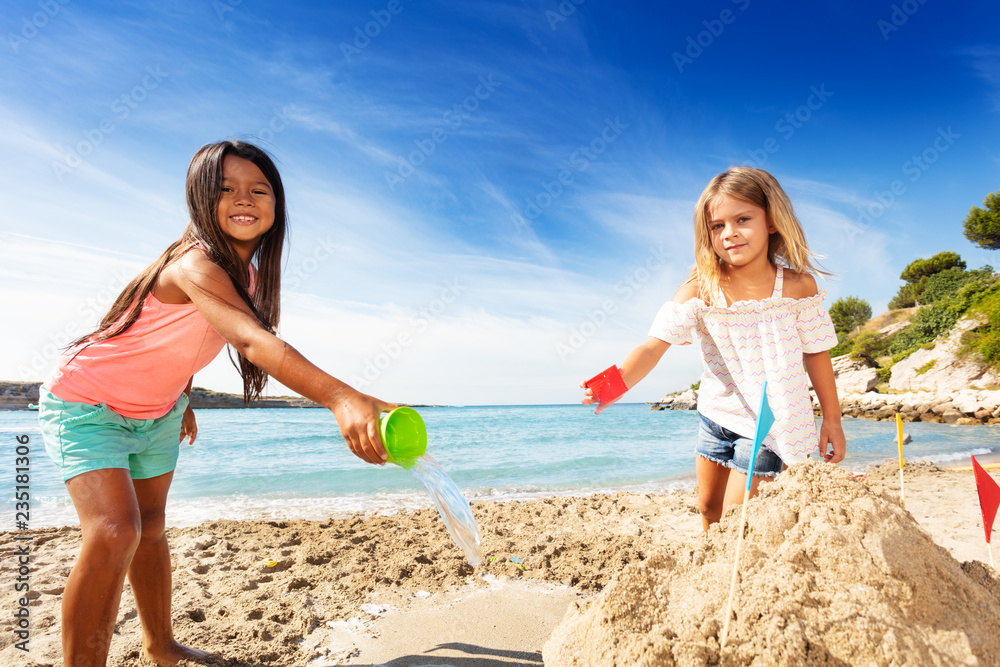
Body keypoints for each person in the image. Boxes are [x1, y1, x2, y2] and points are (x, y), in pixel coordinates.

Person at [38, 140, 396, 667]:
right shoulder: (195, 264)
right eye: (224, 189)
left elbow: (170, 340)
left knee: (152, 527)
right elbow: (253, 342)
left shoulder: (245, 274)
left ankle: (161, 645)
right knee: (116, 531)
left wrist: (180, 396)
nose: (242, 199)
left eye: (259, 189)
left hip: (157, 413)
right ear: (200, 199)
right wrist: (341, 398)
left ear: (277, 204)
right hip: (86, 404)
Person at [582, 166, 846, 531]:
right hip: (716, 418)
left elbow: (817, 353)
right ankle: (709, 576)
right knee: (708, 510)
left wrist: (831, 419)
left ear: (771, 220)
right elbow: (653, 346)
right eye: (717, 225)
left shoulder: (799, 288)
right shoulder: (700, 289)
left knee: (739, 521)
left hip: (772, 424)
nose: (730, 233)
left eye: (742, 219)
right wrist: (614, 384)